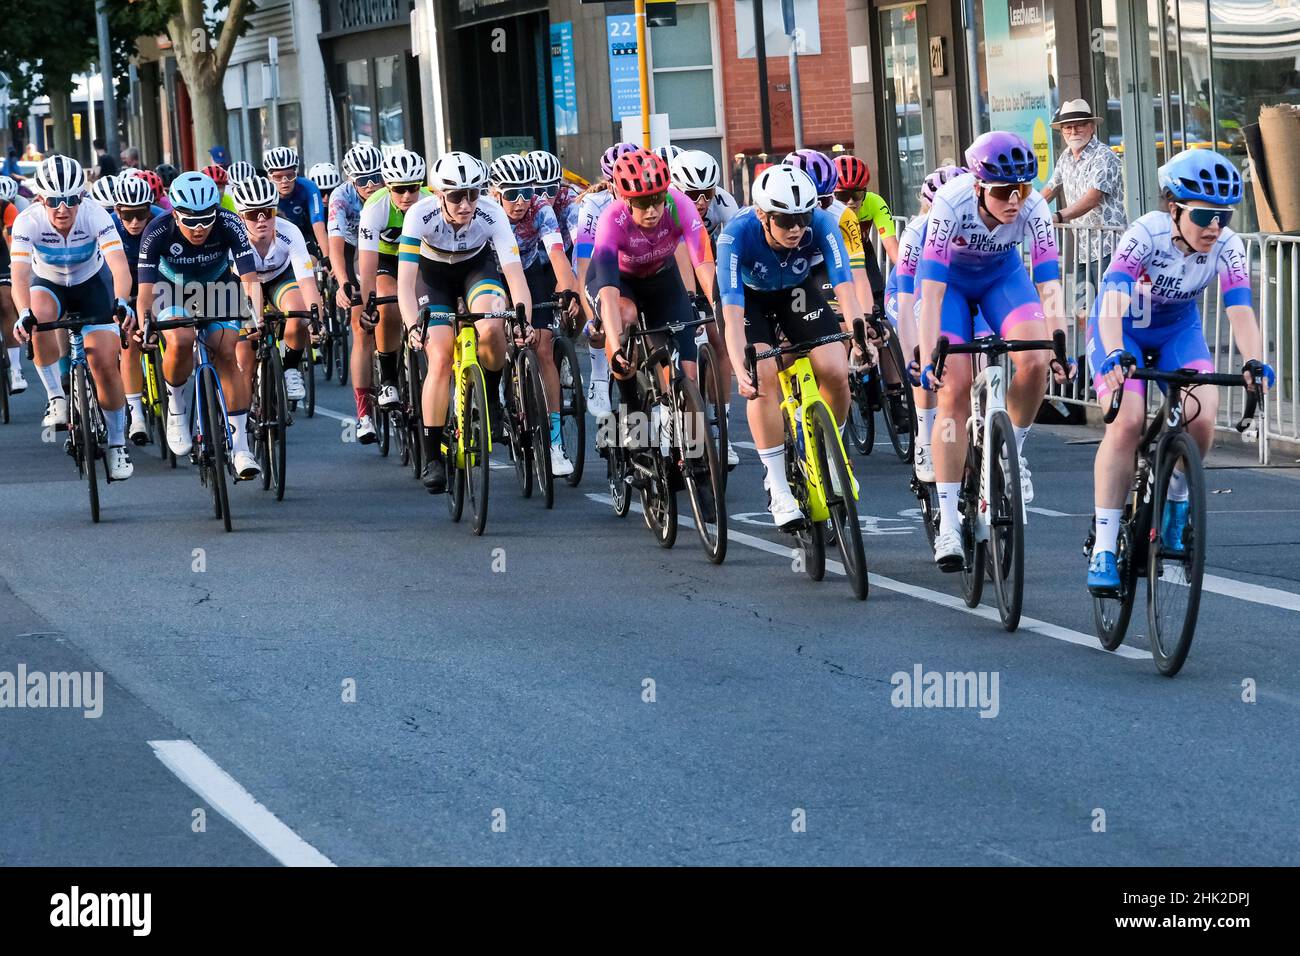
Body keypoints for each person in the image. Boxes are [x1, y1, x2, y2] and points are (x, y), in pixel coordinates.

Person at [1085, 149, 1273, 593]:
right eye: (1205, 214)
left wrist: (1254, 362)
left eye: (1223, 216)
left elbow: (1241, 312)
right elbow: (1111, 302)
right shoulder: (1144, 235)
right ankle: (1106, 547)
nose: (1215, 227)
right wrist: (1113, 354)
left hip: (1176, 330)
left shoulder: (1228, 246)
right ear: (1175, 208)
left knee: (1203, 413)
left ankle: (1176, 503)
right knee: (1127, 422)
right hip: (1124, 328)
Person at [917, 131, 1072, 568]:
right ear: (979, 186)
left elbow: (1049, 285)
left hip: (1001, 280)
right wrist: (931, 355)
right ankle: (948, 524)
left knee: (1036, 359)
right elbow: (929, 294)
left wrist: (1058, 343)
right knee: (954, 387)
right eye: (1005, 191)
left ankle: (1012, 451)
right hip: (949, 288)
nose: (1015, 201)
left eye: (1022, 190)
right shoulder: (950, 203)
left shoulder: (1034, 208)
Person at [717, 164, 863, 528]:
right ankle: (778, 485)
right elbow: (732, 316)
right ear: (764, 216)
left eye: (803, 218)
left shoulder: (822, 226)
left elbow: (845, 286)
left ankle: (833, 454)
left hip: (796, 291)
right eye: (786, 221)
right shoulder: (736, 235)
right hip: (749, 300)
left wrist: (859, 335)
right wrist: (740, 367)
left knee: (834, 367)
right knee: (764, 374)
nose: (797, 228)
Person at [396, 150, 526, 492]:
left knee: (494, 326)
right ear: (439, 195)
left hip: (475, 269)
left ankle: (493, 397)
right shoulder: (418, 216)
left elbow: (514, 276)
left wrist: (522, 317)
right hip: (433, 277)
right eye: (456, 196)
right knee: (438, 355)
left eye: (473, 194)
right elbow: (405, 284)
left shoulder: (492, 213)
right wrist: (412, 325)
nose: (466, 204)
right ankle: (432, 456)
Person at [9, 155, 136, 479]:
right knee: (37, 318)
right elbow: (20, 276)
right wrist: (23, 314)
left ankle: (118, 445)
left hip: (92, 283)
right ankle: (57, 398)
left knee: (104, 363)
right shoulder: (28, 221)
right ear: (41, 199)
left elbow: (119, 266)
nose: (62, 208)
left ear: (82, 197)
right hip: (48, 283)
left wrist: (121, 301)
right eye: (53, 201)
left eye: (70, 200)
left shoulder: (95, 215)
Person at [135, 171, 263, 478]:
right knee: (179, 340)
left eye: (206, 219)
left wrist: (254, 317)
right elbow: (144, 293)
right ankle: (177, 407)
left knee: (227, 351)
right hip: (172, 289)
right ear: (175, 213)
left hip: (217, 287)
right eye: (190, 221)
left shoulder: (229, 222)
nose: (200, 228)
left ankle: (242, 447)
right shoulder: (156, 230)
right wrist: (145, 326)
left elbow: (249, 280)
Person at [488, 153, 580, 476]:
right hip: (493, 274)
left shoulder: (541, 210)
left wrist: (569, 291)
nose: (521, 201)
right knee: (496, 330)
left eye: (527, 192)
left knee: (543, 345)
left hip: (528, 271)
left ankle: (555, 442)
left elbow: (557, 254)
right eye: (511, 194)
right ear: (495, 194)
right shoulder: (486, 213)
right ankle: (499, 387)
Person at [883, 164, 971, 485]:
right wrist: (914, 358)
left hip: (948, 294)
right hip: (908, 293)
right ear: (927, 206)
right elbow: (910, 293)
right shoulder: (918, 231)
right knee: (927, 356)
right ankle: (924, 436)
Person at [357, 148, 431, 440]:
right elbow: (366, 262)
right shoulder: (375, 207)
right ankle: (388, 378)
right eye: (399, 189)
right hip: (385, 261)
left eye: (413, 188)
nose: (406, 196)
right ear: (388, 187)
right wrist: (368, 304)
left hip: (422, 258)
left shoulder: (430, 200)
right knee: (388, 307)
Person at [230, 175, 323, 404]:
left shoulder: (289, 232)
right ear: (242, 216)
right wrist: (255, 319)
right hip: (243, 282)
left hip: (278, 277)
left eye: (267, 212)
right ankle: (245, 411)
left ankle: (290, 368)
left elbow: (307, 282)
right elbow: (248, 283)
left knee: (300, 310)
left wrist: (316, 319)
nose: (261, 220)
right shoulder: (234, 237)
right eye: (253, 214)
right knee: (246, 359)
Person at [1041, 99, 1126, 320]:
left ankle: (1113, 353)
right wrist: (1028, 211)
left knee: (1110, 312)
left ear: (1092, 126)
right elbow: (1050, 188)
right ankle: (1089, 354)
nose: (1073, 131)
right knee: (1082, 311)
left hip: (1108, 246)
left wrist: (1058, 216)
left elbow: (1092, 198)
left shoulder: (1104, 156)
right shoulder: (1066, 157)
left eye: (1079, 124)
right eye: (1067, 127)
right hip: (1083, 248)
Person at [573, 142, 639, 418]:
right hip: (605, 267)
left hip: (643, 267)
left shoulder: (656, 199)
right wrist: (592, 318)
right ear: (609, 183)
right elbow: (585, 264)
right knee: (613, 318)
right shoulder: (594, 205)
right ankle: (600, 374)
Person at [109, 173, 164, 445]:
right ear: (117, 210)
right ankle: (136, 416)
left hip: (155, 277)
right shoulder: (108, 226)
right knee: (128, 341)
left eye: (141, 214)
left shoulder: (161, 218)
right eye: (127, 215)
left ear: (149, 208)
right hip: (121, 280)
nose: (134, 222)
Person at [833, 154, 899, 304]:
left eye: (857, 194)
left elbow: (891, 246)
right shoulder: (826, 208)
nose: (850, 201)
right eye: (843, 195)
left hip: (862, 251)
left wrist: (911, 274)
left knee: (877, 301)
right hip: (833, 254)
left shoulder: (874, 202)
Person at [263, 147, 329, 261]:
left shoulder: (308, 187)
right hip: (274, 238)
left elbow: (318, 222)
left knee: (311, 262)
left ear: (296, 173)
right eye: (278, 177)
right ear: (269, 177)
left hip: (302, 235)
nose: (284, 181)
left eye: (289, 175)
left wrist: (327, 257)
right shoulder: (263, 191)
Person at [1, 174, 28, 395]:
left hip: (2, 255)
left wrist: (16, 271)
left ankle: (16, 370)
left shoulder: (6, 207)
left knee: (6, 301)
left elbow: (13, 243)